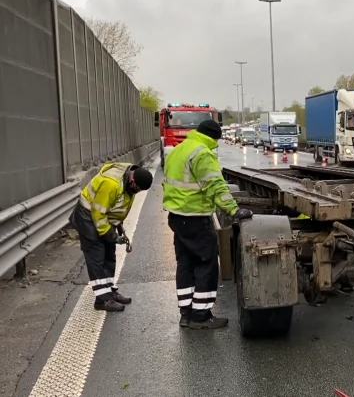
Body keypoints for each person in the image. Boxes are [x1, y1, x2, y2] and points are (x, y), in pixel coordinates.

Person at [162, 120, 253, 329]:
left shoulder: (179, 149)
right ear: (214, 138)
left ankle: (186, 313)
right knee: (206, 264)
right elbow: (215, 185)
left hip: (177, 216)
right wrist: (233, 210)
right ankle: (200, 316)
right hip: (195, 217)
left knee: (185, 265)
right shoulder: (202, 153)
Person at [69, 163, 153, 312]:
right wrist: (110, 235)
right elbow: (98, 212)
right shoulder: (111, 184)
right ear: (133, 181)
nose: (137, 192)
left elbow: (116, 206)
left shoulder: (128, 181)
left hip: (103, 218)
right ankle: (102, 300)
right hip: (88, 217)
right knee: (97, 258)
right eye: (138, 189)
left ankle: (110, 292)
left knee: (109, 255)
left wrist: (117, 225)